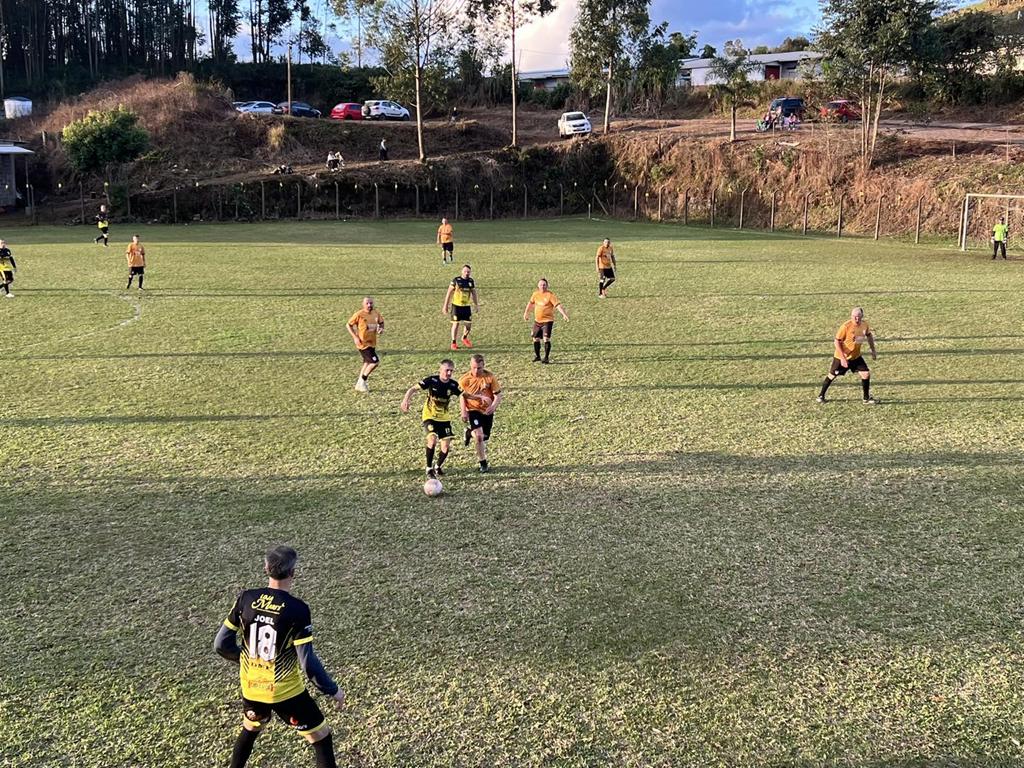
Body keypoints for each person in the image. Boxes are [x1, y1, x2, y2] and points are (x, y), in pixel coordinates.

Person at [213, 545, 345, 768]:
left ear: (266, 568)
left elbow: (221, 644)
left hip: (251, 689)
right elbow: (308, 663)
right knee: (321, 737)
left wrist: (248, 660)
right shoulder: (297, 610)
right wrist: (332, 689)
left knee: (251, 728)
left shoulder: (246, 598)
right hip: (286, 693)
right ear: (293, 573)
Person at [400, 359, 461, 479]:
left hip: (444, 418)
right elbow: (412, 389)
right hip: (429, 416)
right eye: (446, 370)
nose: (449, 373)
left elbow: (464, 396)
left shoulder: (453, 385)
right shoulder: (432, 380)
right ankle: (429, 468)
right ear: (440, 370)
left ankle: (437, 466)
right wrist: (406, 400)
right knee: (432, 440)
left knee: (446, 446)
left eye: (451, 371)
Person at [817, 306, 878, 405]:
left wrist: (873, 350)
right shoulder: (846, 327)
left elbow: (869, 335)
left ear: (862, 316)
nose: (856, 319)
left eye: (858, 316)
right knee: (832, 375)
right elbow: (837, 342)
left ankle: (866, 399)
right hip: (842, 357)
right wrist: (842, 358)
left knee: (866, 374)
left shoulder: (864, 325)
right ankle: (821, 396)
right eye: (854, 317)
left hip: (856, 356)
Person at [458, 353, 503, 473]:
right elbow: (462, 396)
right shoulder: (464, 379)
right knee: (478, 436)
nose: (476, 370)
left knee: (484, 437)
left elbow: (497, 395)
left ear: (483, 366)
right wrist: (464, 412)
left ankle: (468, 432)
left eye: (479, 368)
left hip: (487, 411)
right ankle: (483, 463)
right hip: (473, 410)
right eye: (473, 367)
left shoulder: (490, 377)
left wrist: (493, 406)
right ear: (470, 365)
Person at [523, 278, 569, 364]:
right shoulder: (535, 294)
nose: (542, 286)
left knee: (546, 339)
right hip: (537, 321)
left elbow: (558, 305)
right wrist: (526, 313)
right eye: (541, 285)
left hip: (547, 321)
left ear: (547, 286)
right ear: (538, 285)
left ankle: (546, 357)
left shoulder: (550, 295)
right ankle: (537, 356)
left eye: (544, 285)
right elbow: (530, 303)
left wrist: (564, 314)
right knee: (535, 339)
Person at [347, 296, 384, 393]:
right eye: (367, 303)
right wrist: (355, 337)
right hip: (363, 343)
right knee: (374, 362)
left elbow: (381, 322)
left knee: (367, 362)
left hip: (372, 342)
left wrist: (381, 328)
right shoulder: (359, 314)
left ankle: (359, 384)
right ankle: (363, 380)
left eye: (371, 303)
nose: (369, 305)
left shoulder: (376, 313)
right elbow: (348, 325)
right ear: (363, 304)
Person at [441, 263, 478, 350]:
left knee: (468, 326)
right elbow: (449, 293)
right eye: (465, 271)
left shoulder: (471, 281)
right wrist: (445, 305)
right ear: (462, 271)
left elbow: (474, 293)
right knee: (456, 324)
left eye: (468, 272)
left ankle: (464, 338)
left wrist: (476, 305)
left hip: (466, 306)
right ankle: (453, 342)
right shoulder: (456, 280)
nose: (466, 273)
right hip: (456, 306)